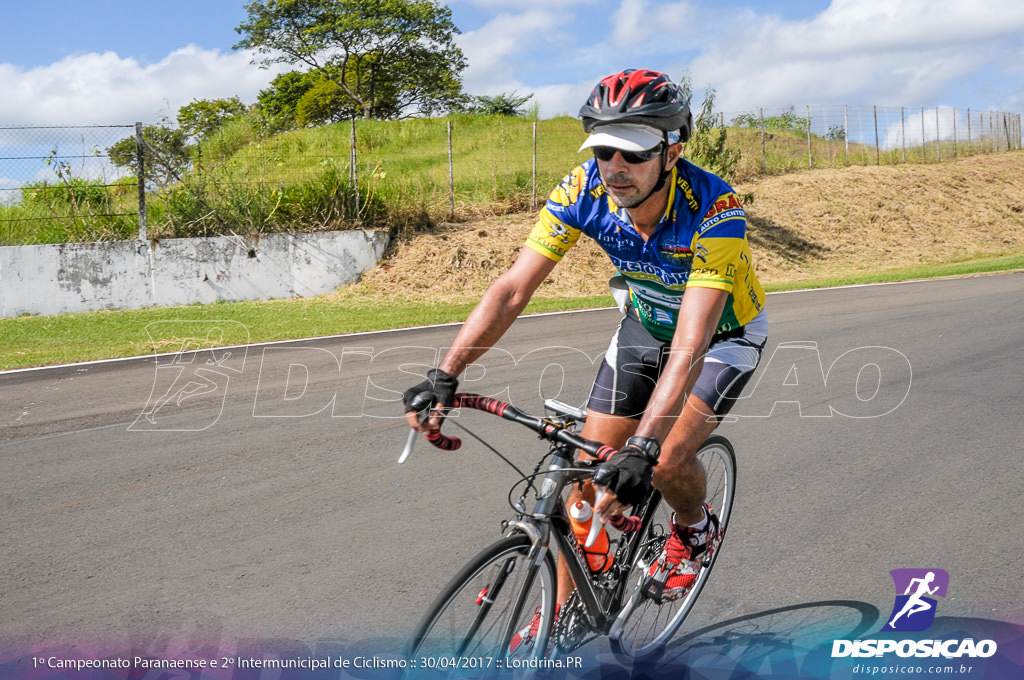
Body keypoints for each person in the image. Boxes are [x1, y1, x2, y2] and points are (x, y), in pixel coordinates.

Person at [404, 69, 767, 608]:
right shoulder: (583, 188)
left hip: (721, 336)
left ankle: (693, 528)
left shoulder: (715, 208)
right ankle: (565, 615)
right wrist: (445, 373)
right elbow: (511, 291)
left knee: (663, 461)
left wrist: (644, 448)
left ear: (672, 151)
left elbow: (693, 340)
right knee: (589, 477)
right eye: (603, 150)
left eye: (634, 153)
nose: (616, 168)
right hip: (645, 324)